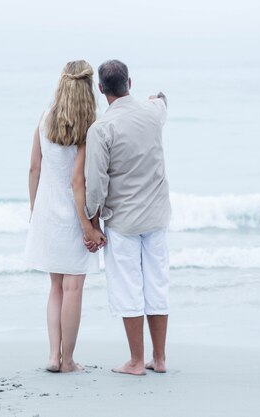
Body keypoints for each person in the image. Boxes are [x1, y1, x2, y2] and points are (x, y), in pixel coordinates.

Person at [83, 59, 171, 376]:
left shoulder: (102, 129)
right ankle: (159, 359)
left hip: (123, 221)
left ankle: (136, 361)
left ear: (101, 89)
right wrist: (156, 98)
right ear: (130, 83)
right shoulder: (153, 113)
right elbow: (161, 100)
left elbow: (96, 184)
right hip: (157, 217)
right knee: (157, 286)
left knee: (129, 289)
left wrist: (91, 221)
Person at [24, 60, 105, 373]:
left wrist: (34, 209)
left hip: (47, 215)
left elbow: (34, 168)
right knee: (73, 289)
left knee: (55, 288)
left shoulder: (45, 120)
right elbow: (79, 182)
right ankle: (68, 360)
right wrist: (88, 227)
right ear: (87, 88)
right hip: (74, 218)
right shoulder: (89, 128)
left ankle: (52, 357)